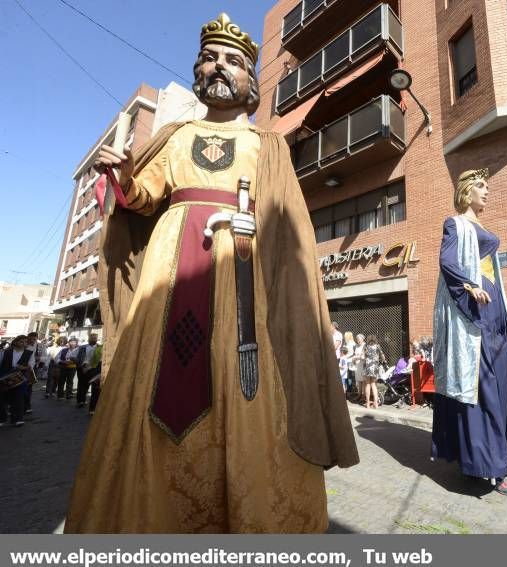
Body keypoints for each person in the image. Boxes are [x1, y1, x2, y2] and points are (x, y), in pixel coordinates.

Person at [65, 13, 357, 533]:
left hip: (241, 277)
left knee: (241, 384)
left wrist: (256, 228)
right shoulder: (176, 136)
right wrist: (127, 179)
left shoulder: (268, 146)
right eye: (209, 57)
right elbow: (141, 199)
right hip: (169, 274)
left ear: (251, 82)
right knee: (154, 378)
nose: (218, 66)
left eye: (233, 61)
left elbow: (289, 229)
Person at [431, 168, 507, 497]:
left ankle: (496, 455)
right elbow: (447, 262)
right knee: (482, 389)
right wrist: (470, 285)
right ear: (466, 192)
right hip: (474, 314)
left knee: (501, 387)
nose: (487, 192)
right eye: (481, 186)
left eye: (487, 187)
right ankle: (490, 466)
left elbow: (491, 269)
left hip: (495, 312)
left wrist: (505, 303)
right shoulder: (455, 223)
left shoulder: (482, 228)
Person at [0, 335, 35, 427]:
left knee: (18, 398)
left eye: (25, 342)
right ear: (15, 342)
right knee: (3, 398)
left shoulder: (29, 353)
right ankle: (1, 419)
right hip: (6, 377)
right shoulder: (6, 352)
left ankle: (17, 419)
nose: (23, 343)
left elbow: (31, 365)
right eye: (21, 341)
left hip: (20, 378)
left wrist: (23, 367)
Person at [75, 333, 99, 409]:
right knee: (82, 385)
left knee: (95, 387)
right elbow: (73, 356)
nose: (93, 339)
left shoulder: (100, 347)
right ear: (88, 339)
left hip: (94, 369)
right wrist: (80, 364)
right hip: (83, 368)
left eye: (95, 338)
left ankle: (93, 405)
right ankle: (81, 401)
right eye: (91, 338)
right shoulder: (82, 347)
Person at [363, 335, 385, 409]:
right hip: (375, 367)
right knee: (374, 385)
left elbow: (364, 356)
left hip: (367, 367)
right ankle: (376, 403)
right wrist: (382, 361)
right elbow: (382, 356)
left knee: (368, 384)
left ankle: (368, 404)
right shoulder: (378, 346)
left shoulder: (366, 346)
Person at [353, 334, 367, 402]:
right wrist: (354, 359)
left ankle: (363, 396)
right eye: (357, 339)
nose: (358, 341)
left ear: (362, 339)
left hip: (363, 364)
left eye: (359, 339)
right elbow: (355, 354)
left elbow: (364, 356)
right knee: (359, 380)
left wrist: (356, 358)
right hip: (357, 365)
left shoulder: (365, 345)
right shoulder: (356, 346)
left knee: (363, 381)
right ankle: (359, 394)